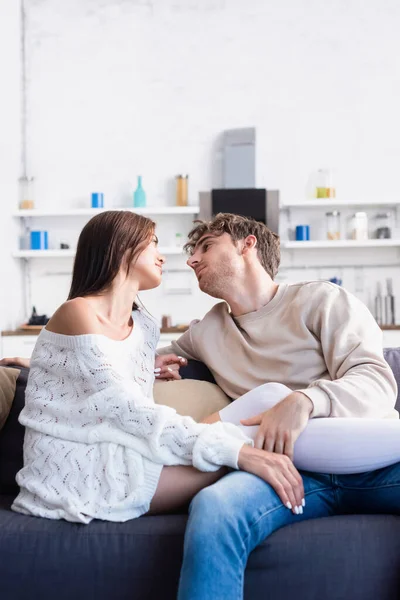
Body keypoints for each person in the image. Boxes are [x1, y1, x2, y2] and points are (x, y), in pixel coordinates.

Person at [3, 211, 400, 599]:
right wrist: (42, 362)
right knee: (214, 507)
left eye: (206, 247)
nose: (190, 259)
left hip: (367, 459)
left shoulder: (321, 301)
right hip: (277, 466)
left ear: (248, 246)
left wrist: (306, 401)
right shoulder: (207, 330)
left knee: (278, 397)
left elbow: (378, 383)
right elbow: (112, 366)